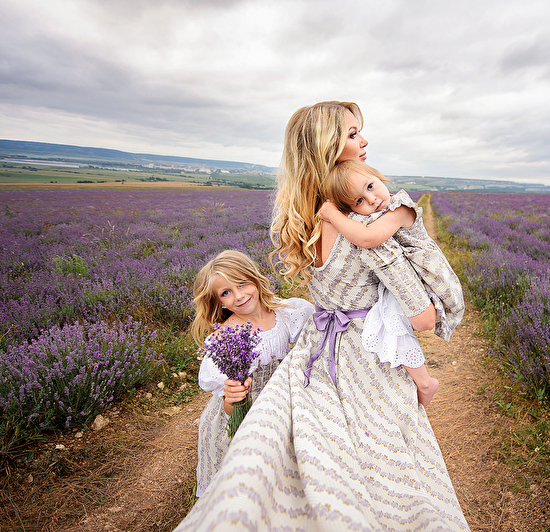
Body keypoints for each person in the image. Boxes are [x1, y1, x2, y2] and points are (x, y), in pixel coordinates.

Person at [175, 101, 470, 531]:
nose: (364, 140)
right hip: (367, 357)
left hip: (317, 350)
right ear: (324, 146)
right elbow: (423, 318)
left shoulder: (303, 218)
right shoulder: (363, 225)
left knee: (316, 458)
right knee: (394, 467)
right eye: (352, 133)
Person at [319, 159, 465, 406]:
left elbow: (366, 238)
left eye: (370, 186)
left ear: (379, 176)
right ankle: (420, 380)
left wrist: (332, 214)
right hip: (407, 275)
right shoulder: (378, 214)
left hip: (427, 277)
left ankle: (424, 382)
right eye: (359, 201)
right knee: (388, 319)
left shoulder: (400, 208)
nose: (372, 199)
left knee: (394, 318)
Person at [190, 250, 314, 497]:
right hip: (245, 414)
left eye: (242, 284)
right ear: (219, 302)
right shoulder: (226, 337)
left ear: (255, 279)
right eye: (225, 293)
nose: (239, 296)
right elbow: (230, 408)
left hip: (281, 405)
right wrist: (233, 397)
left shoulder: (286, 312)